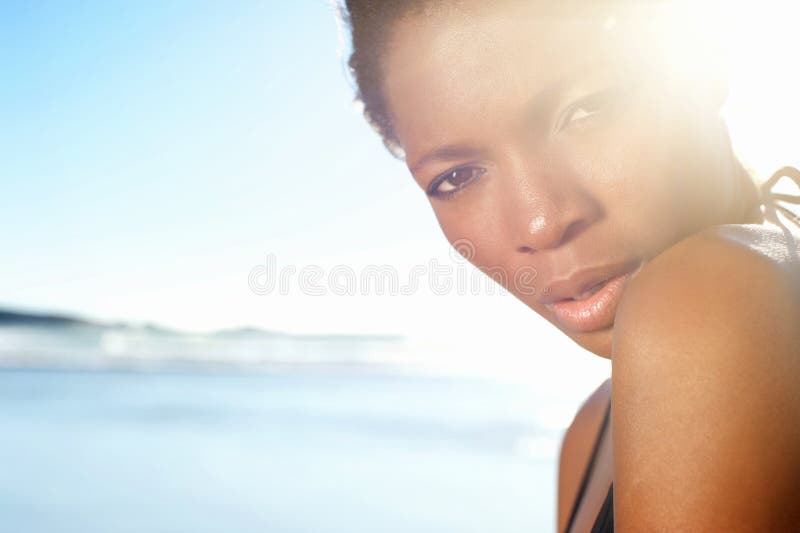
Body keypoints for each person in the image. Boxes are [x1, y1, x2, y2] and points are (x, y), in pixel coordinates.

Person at [336, 1, 800, 531]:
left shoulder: (706, 298)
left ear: (703, 60)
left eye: (586, 110)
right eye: (458, 177)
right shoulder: (591, 429)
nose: (540, 223)